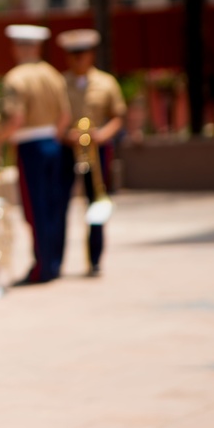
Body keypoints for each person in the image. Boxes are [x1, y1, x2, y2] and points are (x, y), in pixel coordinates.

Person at [0, 24, 71, 285]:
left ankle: (42, 267)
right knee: (54, 208)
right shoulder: (54, 75)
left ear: (19, 47)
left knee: (35, 209)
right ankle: (53, 263)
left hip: (30, 147)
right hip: (54, 143)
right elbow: (65, 117)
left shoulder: (16, 78)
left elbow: (16, 118)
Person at [55, 28, 126, 277]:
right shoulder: (59, 83)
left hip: (96, 150)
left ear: (91, 54)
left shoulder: (106, 82)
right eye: (73, 54)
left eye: (82, 53)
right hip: (66, 150)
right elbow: (54, 120)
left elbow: (118, 116)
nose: (78, 59)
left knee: (96, 204)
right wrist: (65, 135)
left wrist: (102, 135)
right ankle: (55, 260)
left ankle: (94, 259)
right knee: (59, 204)